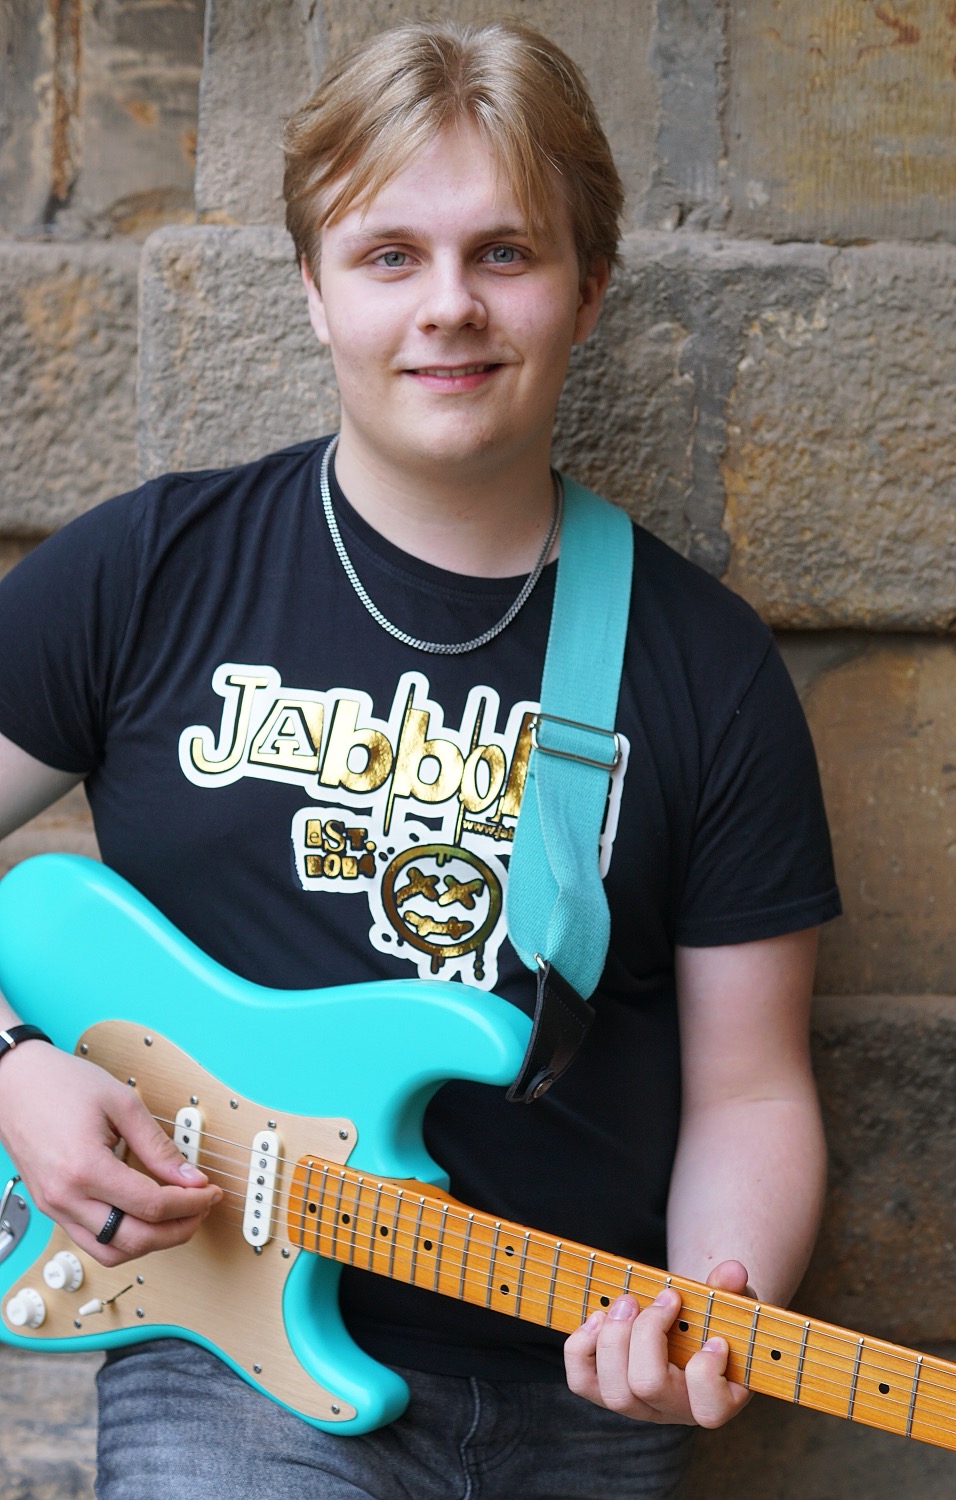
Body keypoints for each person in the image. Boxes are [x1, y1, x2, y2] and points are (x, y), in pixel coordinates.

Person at [0, 19, 839, 1499]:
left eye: (504, 254)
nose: (448, 306)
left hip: (579, 1392)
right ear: (315, 294)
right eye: (389, 255)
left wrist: (720, 1302)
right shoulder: (145, 573)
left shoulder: (705, 666)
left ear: (587, 292)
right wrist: (10, 1071)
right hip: (226, 1378)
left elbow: (753, 1090)